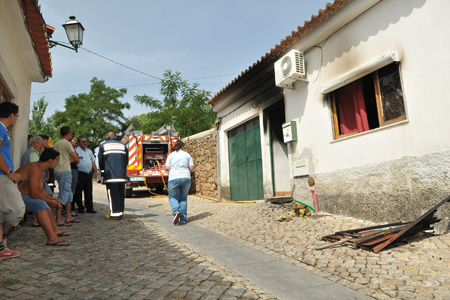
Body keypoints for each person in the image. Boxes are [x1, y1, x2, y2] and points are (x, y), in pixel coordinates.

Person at [16, 149, 70, 246]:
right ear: (50, 160)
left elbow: (41, 190)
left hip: (24, 196)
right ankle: (52, 238)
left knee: (46, 205)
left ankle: (55, 231)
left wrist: (53, 200)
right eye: (56, 160)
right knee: (41, 205)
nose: (56, 162)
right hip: (17, 197)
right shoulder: (35, 168)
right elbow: (34, 194)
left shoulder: (40, 169)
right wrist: (49, 201)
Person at [0, 102, 25, 259]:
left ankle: (1, 247)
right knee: (17, 210)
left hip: (3, 176)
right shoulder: (0, 128)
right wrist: (10, 172)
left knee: (1, 214)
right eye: (17, 116)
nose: (17, 119)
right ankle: (3, 241)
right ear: (11, 115)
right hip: (3, 177)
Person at [53, 126, 80, 225]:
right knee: (64, 193)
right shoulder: (67, 143)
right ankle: (58, 218)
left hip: (58, 170)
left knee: (68, 194)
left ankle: (68, 216)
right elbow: (75, 156)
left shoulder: (56, 144)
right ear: (69, 133)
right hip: (65, 170)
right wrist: (75, 161)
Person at [98, 132, 128, 220]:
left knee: (112, 194)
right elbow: (126, 160)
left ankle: (115, 214)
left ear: (107, 137)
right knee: (121, 194)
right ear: (116, 136)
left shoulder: (103, 146)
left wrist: (103, 172)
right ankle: (121, 211)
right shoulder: (123, 145)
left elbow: (101, 161)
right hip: (121, 175)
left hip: (111, 175)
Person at [165, 140, 195, 225]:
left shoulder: (171, 155)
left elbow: (167, 167)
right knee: (183, 198)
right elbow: (192, 168)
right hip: (186, 177)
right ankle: (183, 219)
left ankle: (176, 211)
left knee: (172, 197)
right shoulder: (187, 155)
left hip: (173, 178)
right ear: (183, 147)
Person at [74, 135, 98, 213]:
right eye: (83, 141)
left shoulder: (89, 151)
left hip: (88, 173)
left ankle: (89, 207)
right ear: (78, 143)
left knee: (88, 191)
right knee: (79, 191)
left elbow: (93, 161)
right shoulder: (76, 151)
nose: (85, 143)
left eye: (86, 141)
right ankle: (80, 207)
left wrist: (95, 170)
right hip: (79, 173)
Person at [69, 136, 79, 211]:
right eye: (74, 140)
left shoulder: (74, 149)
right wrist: (75, 159)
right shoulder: (70, 149)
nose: (76, 141)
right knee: (70, 191)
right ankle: (68, 209)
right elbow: (74, 160)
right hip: (71, 170)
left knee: (73, 191)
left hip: (74, 170)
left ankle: (70, 207)